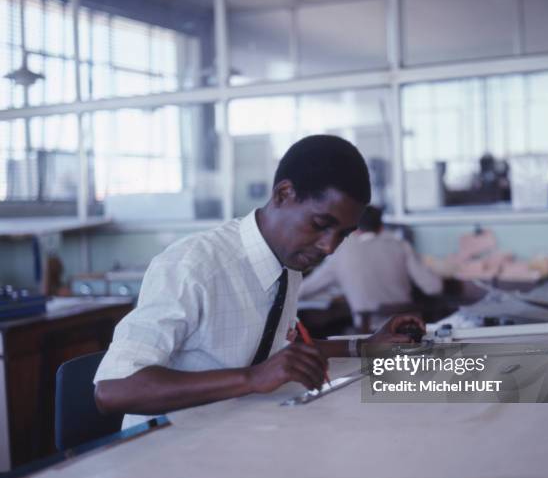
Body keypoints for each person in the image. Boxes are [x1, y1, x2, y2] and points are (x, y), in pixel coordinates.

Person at [94, 135, 423, 428]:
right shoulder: (193, 266)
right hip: (161, 451)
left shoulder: (287, 260)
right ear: (283, 194)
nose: (329, 247)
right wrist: (251, 379)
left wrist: (365, 346)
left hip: (232, 432)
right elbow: (113, 390)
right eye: (321, 224)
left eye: (342, 235)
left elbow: (280, 357)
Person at [299, 205, 442, 330]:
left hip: (368, 334)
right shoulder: (400, 245)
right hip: (406, 328)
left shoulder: (341, 251)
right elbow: (434, 287)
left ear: (353, 228)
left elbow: (304, 289)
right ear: (381, 227)